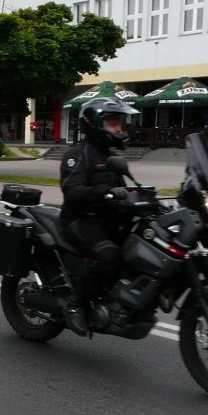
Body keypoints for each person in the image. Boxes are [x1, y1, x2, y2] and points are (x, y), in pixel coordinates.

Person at [59, 97, 139, 336]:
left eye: (120, 124)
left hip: (108, 220)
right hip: (81, 220)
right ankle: (76, 304)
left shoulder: (110, 156)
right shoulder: (78, 154)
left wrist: (144, 197)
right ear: (94, 124)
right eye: (113, 124)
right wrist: (105, 192)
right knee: (109, 255)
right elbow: (71, 190)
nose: (119, 129)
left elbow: (122, 190)